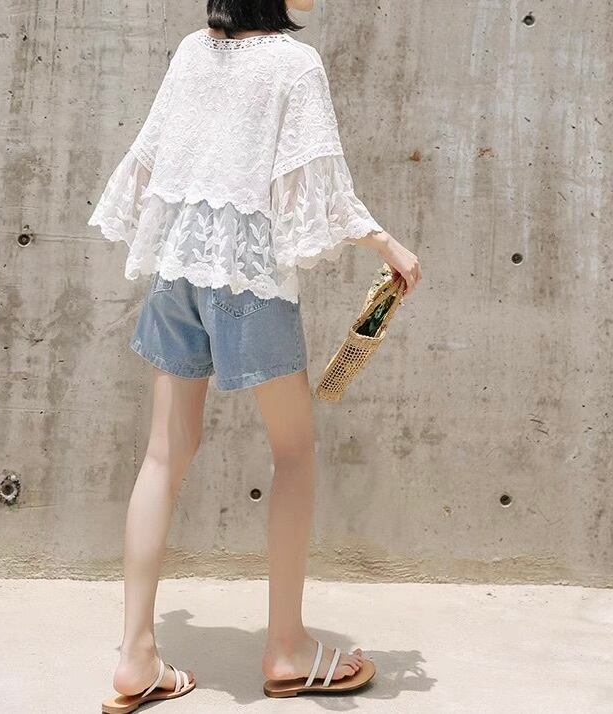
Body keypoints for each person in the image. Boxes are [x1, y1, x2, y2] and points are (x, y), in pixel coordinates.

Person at [88, 0, 422, 710]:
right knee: (294, 453)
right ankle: (287, 648)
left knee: (162, 456)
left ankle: (135, 657)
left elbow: (154, 158)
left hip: (177, 273)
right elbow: (318, 187)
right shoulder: (294, 65)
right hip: (248, 281)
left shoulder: (192, 50)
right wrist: (387, 244)